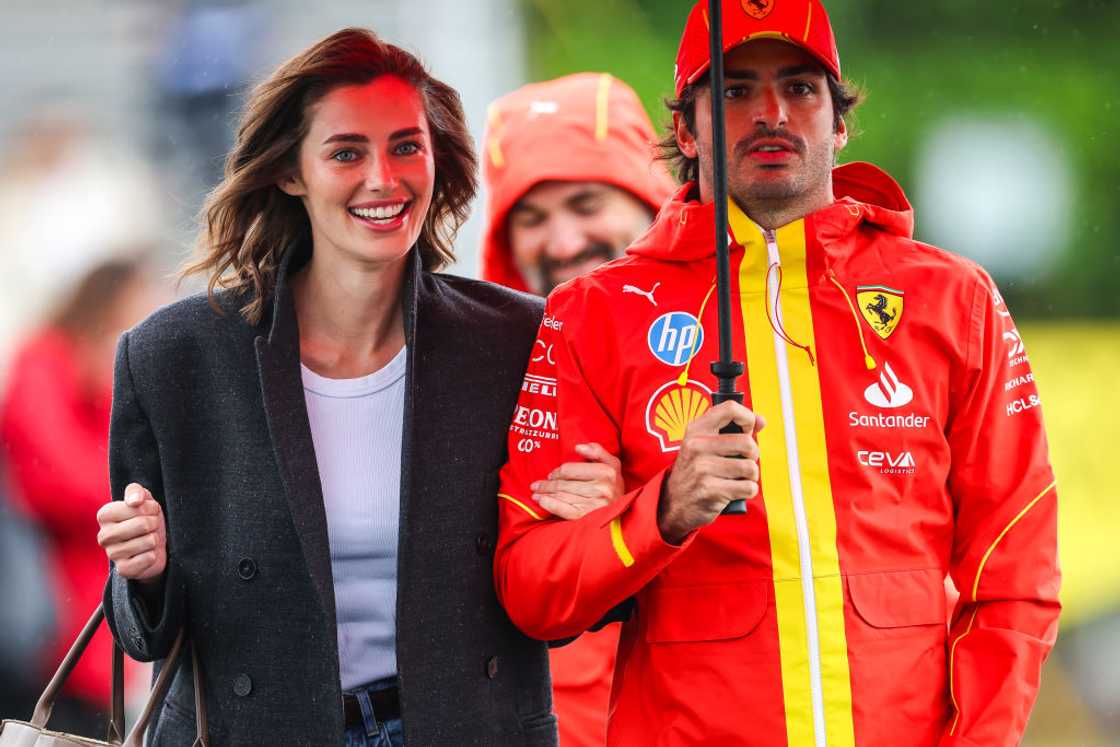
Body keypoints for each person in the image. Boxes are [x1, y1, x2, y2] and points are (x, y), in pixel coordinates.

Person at [493, 2, 1060, 745]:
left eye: (799, 87)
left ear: (839, 119)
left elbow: (1017, 572)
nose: (770, 113)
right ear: (685, 132)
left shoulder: (954, 297)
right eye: (733, 90)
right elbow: (530, 590)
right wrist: (661, 512)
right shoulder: (591, 313)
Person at [93, 28, 611, 746]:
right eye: (346, 152)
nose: (383, 178)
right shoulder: (175, 356)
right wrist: (142, 572)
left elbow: (579, 596)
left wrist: (601, 524)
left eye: (406, 146)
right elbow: (142, 632)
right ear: (289, 172)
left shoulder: (519, 341)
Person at [479, 72, 674, 747]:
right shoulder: (473, 378)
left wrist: (634, 512)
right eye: (531, 218)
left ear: (654, 202)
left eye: (587, 204)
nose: (562, 243)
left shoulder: (747, 341)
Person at [0, 257, 158, 737]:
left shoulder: (92, 384)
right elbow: (58, 475)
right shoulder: (44, 363)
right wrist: (139, 497)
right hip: (44, 629)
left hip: (92, 636)